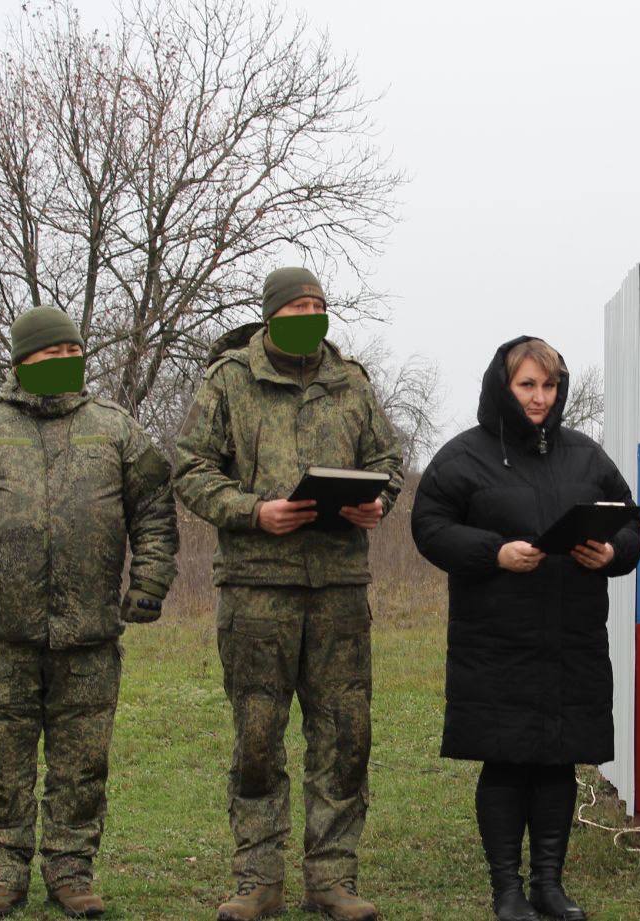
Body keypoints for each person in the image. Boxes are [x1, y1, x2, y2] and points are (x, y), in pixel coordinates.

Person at [0, 306, 179, 918]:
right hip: (1, 636)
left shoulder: (117, 430)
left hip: (89, 638)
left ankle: (70, 870)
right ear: (22, 360)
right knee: (1, 764)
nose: (65, 363)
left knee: (82, 766)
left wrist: (149, 584)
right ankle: (1, 874)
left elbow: (156, 512)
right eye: (50, 355)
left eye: (72, 353)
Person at [173, 267, 403, 921]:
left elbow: (389, 458)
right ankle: (257, 881)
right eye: (299, 306)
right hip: (257, 590)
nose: (312, 315)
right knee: (257, 736)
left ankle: (332, 879)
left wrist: (378, 501)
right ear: (273, 315)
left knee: (345, 735)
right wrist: (253, 510)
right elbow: (189, 467)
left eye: (320, 306)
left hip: (338, 589)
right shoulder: (228, 381)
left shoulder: (351, 381)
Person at [410, 336, 640, 921]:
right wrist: (494, 552)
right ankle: (507, 891)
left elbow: (630, 523)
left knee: (558, 759)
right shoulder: (464, 457)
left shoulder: (586, 456)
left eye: (550, 386)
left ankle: (549, 885)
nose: (541, 398)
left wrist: (611, 553)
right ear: (502, 387)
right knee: (506, 759)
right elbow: (430, 527)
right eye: (528, 385)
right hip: (495, 639)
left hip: (572, 637)